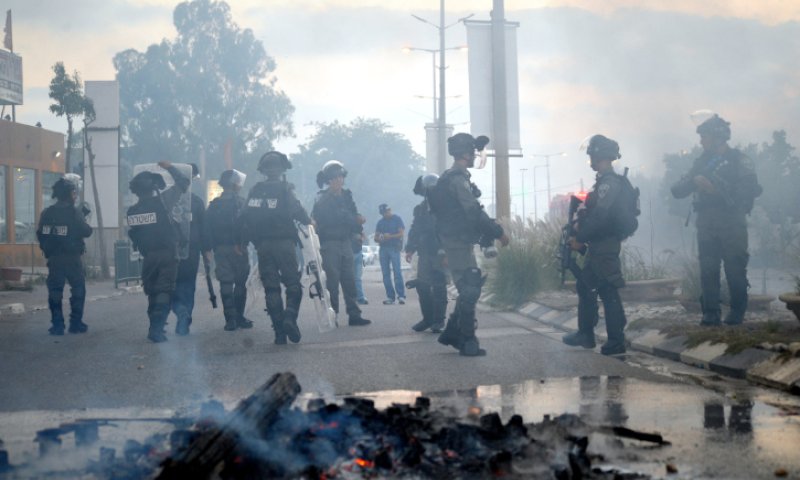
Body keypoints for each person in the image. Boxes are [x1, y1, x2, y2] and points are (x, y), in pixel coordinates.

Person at [671, 115, 762, 326]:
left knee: (735, 268)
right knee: (708, 269)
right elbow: (677, 190)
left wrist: (715, 191)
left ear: (718, 138)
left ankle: (737, 312)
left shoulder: (740, 160)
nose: (701, 141)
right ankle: (710, 313)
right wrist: (693, 181)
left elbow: (748, 192)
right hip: (707, 224)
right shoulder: (703, 161)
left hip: (732, 224)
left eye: (705, 136)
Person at [430, 133, 509, 356]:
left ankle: (454, 334)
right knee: (469, 288)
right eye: (473, 152)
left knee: (468, 287)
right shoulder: (456, 179)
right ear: (464, 153)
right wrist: (497, 231)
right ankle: (466, 339)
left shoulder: (453, 177)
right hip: (456, 242)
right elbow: (473, 211)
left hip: (458, 240)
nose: (475, 155)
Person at [562, 135, 630, 355]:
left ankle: (616, 340)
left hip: (605, 244)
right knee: (585, 285)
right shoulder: (603, 182)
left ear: (599, 155)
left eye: (592, 154)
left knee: (607, 289)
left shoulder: (609, 183)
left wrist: (580, 238)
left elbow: (600, 216)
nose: (590, 158)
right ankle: (586, 334)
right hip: (598, 244)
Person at [240, 151, 311, 344]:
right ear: (281, 170)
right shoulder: (285, 189)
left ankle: (279, 334)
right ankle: (290, 317)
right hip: (285, 245)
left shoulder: (255, 191)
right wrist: (310, 221)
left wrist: (250, 240)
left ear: (263, 170)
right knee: (293, 285)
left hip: (263, 247)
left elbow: (244, 217)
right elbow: (298, 212)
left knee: (271, 289)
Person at [126, 161, 189, 342]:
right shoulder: (162, 203)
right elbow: (183, 183)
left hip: (148, 258)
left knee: (153, 292)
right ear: (154, 187)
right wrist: (169, 167)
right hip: (167, 255)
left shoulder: (132, 211)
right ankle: (156, 329)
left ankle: (155, 327)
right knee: (164, 291)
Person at [311, 160, 371, 326]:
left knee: (349, 279)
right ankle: (333, 315)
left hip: (345, 241)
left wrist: (358, 227)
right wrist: (354, 220)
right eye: (335, 177)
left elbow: (352, 213)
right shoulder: (322, 198)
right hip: (329, 243)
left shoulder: (346, 195)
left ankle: (354, 314)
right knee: (332, 281)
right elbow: (335, 217)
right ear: (328, 180)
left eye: (340, 177)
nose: (339, 180)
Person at [36, 175, 93, 335]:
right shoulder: (75, 213)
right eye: (74, 193)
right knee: (78, 288)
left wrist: (48, 249)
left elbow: (40, 234)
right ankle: (75, 323)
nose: (75, 196)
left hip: (54, 258)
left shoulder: (46, 213)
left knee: (55, 290)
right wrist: (86, 219)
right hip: (72, 258)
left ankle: (57, 325)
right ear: (69, 194)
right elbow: (86, 232)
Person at [205, 169, 252, 332]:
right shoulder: (241, 203)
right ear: (234, 184)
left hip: (220, 249)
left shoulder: (214, 205)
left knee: (225, 283)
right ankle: (239, 317)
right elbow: (247, 227)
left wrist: (209, 248)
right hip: (239, 248)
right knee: (240, 283)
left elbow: (207, 229)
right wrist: (243, 243)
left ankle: (230, 320)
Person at [405, 174, 448, 333]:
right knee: (422, 286)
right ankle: (428, 319)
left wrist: (446, 253)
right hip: (424, 252)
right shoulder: (421, 209)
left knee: (439, 286)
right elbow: (415, 228)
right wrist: (410, 248)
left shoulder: (445, 207)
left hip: (440, 252)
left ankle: (438, 321)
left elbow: (449, 231)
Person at [169, 164, 208, 336]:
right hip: (191, 253)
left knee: (171, 286)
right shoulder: (197, 202)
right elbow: (205, 229)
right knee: (188, 285)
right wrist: (207, 251)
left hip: (170, 252)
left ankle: (180, 311)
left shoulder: (165, 201)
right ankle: (185, 316)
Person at [374, 203, 406, 305]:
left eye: (387, 211)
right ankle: (390, 296)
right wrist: (382, 237)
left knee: (397, 272)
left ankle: (401, 295)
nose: (386, 214)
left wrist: (390, 236)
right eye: (384, 213)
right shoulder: (380, 222)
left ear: (390, 210)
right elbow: (376, 237)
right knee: (385, 274)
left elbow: (401, 233)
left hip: (394, 247)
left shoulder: (397, 219)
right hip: (383, 248)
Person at [353, 231, 369, 305]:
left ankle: (360, 297)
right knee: (351, 278)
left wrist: (361, 238)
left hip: (358, 252)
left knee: (357, 278)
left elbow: (364, 236)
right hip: (349, 252)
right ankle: (355, 297)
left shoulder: (358, 226)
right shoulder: (346, 222)